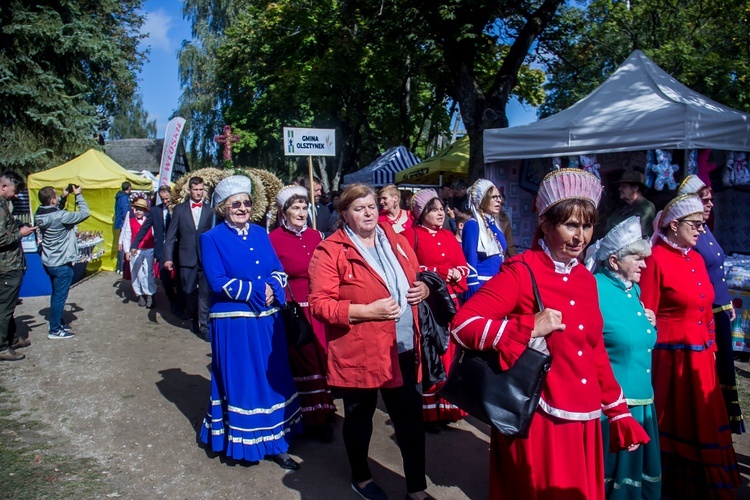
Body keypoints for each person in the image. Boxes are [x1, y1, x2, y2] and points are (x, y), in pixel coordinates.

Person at [451, 168, 649, 499]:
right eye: (570, 225)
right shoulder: (522, 271)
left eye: (586, 226)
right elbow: (461, 325)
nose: (580, 237)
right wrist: (527, 327)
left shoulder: (587, 279)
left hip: (584, 418)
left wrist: (617, 409)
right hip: (540, 418)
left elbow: (594, 347)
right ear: (545, 224)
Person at [308, 184, 433, 500]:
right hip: (360, 349)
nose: (368, 212)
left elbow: (415, 275)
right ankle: (361, 478)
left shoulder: (396, 240)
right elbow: (319, 304)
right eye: (359, 208)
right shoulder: (331, 250)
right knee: (360, 418)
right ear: (345, 214)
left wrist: (424, 290)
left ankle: (417, 489)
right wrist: (364, 311)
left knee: (410, 422)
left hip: (402, 346)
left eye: (372, 206)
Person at [639, 193, 741, 497]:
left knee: (705, 420)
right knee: (677, 424)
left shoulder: (695, 258)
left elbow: (706, 310)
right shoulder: (655, 259)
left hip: (701, 359)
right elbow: (647, 314)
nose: (701, 231)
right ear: (673, 225)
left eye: (702, 225)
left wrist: (710, 346)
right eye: (695, 225)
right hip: (671, 360)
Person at [198, 175, 302, 469]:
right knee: (245, 380)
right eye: (235, 204)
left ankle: (276, 438)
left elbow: (278, 270)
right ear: (223, 208)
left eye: (246, 203)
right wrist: (256, 291)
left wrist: (272, 286)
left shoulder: (259, 232)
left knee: (273, 377)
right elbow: (216, 281)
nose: (242, 208)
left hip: (267, 320)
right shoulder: (211, 238)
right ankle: (247, 440)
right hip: (234, 323)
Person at [585, 216, 661, 499]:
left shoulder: (634, 289)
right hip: (615, 406)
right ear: (614, 261)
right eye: (637, 258)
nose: (644, 264)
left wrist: (649, 323)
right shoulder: (594, 288)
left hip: (643, 401)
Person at [678, 175, 745, 434]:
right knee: (715, 366)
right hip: (705, 311)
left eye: (711, 200)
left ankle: (727, 418)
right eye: (704, 200)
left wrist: (727, 301)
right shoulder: (690, 235)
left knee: (726, 365)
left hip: (719, 307)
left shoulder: (705, 229)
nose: (709, 205)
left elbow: (717, 269)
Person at [269, 185, 336, 442]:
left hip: (319, 309)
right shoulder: (273, 239)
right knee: (305, 364)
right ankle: (312, 419)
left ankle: (325, 408)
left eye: (304, 207)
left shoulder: (317, 235)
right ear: (284, 212)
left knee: (322, 360)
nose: (301, 212)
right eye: (295, 208)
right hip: (296, 312)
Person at [402, 189, 469, 431]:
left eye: (441, 209)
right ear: (421, 213)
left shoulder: (449, 236)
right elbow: (408, 267)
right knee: (429, 355)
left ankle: (448, 408)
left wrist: (456, 272)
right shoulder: (410, 236)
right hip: (427, 304)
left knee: (449, 353)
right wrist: (440, 272)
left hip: (449, 303)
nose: (440, 213)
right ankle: (429, 411)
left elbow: (463, 265)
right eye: (434, 209)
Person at [35, 184, 90, 339]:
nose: (58, 196)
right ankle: (54, 329)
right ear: (52, 200)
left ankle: (57, 322)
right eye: (56, 195)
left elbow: (53, 212)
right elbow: (85, 213)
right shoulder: (61, 216)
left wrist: (64, 197)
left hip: (49, 261)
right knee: (60, 296)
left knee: (56, 294)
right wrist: (78, 195)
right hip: (61, 263)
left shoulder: (38, 214)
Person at [164, 177, 213, 339]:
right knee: (188, 290)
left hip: (205, 257)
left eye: (201, 190)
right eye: (195, 190)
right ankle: (193, 317)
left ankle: (204, 325)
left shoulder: (209, 211)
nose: (198, 193)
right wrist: (168, 257)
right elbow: (170, 236)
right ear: (189, 191)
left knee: (205, 293)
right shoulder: (179, 210)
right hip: (186, 257)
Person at [0, 172, 36, 360]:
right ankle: (3, 348)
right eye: (14, 192)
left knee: (8, 305)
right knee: (4, 309)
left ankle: (13, 339)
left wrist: (19, 227)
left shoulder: (4, 205)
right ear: (4, 187)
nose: (16, 196)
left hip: (10, 264)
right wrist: (21, 234)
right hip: (6, 266)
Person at [133, 186, 182, 316]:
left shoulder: (179, 209)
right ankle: (172, 301)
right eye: (163, 199)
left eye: (167, 198)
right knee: (164, 279)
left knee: (180, 279)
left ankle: (180, 303)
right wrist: (135, 244)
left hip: (179, 249)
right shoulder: (155, 211)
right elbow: (144, 228)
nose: (165, 201)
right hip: (162, 250)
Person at [461, 179, 507, 298]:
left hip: (498, 284)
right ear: (482, 199)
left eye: (499, 197)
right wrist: (473, 288)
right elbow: (469, 260)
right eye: (494, 197)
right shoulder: (473, 224)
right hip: (482, 286)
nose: (499, 200)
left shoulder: (495, 226)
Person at [122, 198, 156, 308]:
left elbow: (155, 235)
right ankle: (139, 293)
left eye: (141, 209)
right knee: (136, 272)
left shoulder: (149, 220)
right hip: (135, 250)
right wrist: (127, 251)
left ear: (145, 211)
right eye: (137, 209)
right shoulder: (130, 222)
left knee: (148, 271)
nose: (138, 211)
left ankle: (150, 293)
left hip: (148, 248)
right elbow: (126, 236)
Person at [603, 170, 656, 238]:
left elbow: (631, 231)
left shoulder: (647, 207)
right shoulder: (622, 207)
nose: (619, 189)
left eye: (623, 186)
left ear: (635, 188)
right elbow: (608, 226)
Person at [114, 181, 131, 274]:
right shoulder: (124, 198)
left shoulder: (119, 197)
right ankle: (121, 267)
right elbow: (126, 212)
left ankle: (119, 266)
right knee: (123, 245)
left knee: (122, 244)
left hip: (119, 222)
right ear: (129, 188)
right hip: (123, 223)